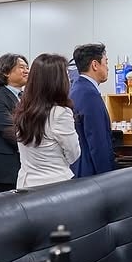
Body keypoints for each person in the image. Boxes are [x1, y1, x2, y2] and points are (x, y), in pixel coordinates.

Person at [14, 54, 81, 188]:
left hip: (25, 183)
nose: (69, 79)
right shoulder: (60, 113)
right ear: (57, 81)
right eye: (66, 75)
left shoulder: (23, 110)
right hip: (55, 185)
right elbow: (74, 154)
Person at [0, 53, 28, 193]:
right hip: (5, 169)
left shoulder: (27, 98)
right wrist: (38, 147)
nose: (26, 71)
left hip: (26, 166)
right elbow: (11, 132)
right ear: (6, 72)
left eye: (27, 67)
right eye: (21, 67)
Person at [69, 43, 114, 177]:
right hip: (91, 172)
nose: (107, 67)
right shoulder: (89, 94)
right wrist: (107, 177)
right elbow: (97, 141)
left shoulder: (77, 89)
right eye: (106, 62)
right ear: (95, 65)